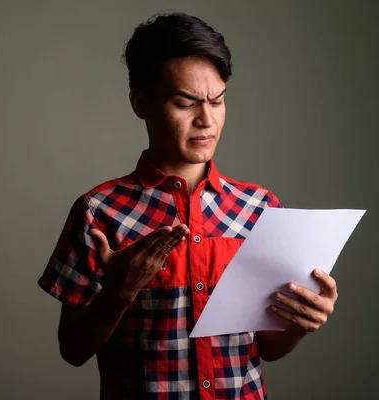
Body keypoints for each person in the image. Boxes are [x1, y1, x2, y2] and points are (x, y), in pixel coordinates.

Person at [37, 12, 338, 400]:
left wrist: (301, 322)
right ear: (140, 102)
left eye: (218, 100)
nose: (206, 120)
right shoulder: (98, 211)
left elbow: (266, 348)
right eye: (185, 103)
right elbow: (72, 350)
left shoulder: (261, 208)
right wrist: (118, 294)